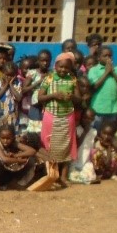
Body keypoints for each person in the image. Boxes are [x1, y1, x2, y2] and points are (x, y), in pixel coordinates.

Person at [37, 52, 80, 187]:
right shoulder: (49, 78)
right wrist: (54, 95)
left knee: (67, 146)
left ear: (70, 68)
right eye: (60, 67)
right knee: (50, 146)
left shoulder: (72, 79)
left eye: (66, 67)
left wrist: (72, 97)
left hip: (67, 117)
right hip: (51, 116)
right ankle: (52, 176)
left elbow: (79, 99)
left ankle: (63, 176)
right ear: (55, 66)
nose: (63, 69)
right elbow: (40, 97)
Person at [0, 124, 37, 191]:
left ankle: (18, 183)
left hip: (9, 173)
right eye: (3, 138)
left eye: (8, 138)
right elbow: (5, 159)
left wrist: (16, 155)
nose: (5, 141)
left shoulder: (14, 143)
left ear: (13, 137)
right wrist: (19, 160)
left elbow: (32, 151)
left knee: (31, 160)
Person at [87, 46, 117, 129]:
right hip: (98, 108)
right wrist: (106, 72)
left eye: (110, 56)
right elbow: (95, 85)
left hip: (112, 109)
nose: (108, 58)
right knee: (95, 131)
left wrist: (112, 72)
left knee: (108, 131)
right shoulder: (94, 70)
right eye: (105, 56)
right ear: (99, 58)